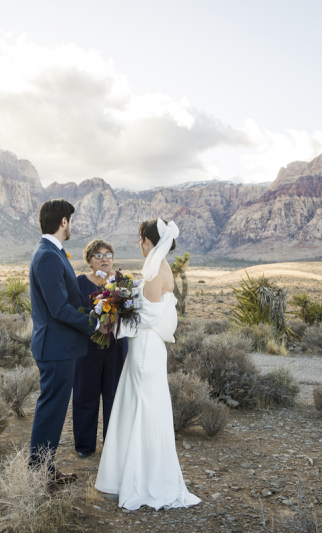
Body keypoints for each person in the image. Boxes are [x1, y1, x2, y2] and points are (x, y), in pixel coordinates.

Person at [95, 218, 201, 510]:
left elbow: (147, 317)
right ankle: (131, 475)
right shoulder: (160, 268)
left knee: (141, 406)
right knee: (140, 404)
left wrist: (116, 310)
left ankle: (140, 481)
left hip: (144, 348)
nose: (138, 244)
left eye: (140, 239)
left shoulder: (156, 271)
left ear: (147, 242)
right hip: (147, 346)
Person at [28, 199, 107, 490]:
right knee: (50, 412)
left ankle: (46, 470)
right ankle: (39, 477)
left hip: (59, 347)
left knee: (54, 412)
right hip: (56, 348)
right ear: (63, 222)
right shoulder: (48, 255)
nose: (71, 226)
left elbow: (65, 303)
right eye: (70, 221)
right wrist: (95, 324)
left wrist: (94, 311)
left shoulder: (51, 252)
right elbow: (59, 308)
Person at [73, 239, 128, 458]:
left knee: (114, 396)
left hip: (115, 347)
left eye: (108, 254)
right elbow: (75, 313)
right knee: (85, 395)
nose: (105, 258)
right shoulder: (79, 282)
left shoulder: (120, 282)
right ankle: (84, 446)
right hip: (87, 348)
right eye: (98, 255)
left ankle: (112, 447)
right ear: (89, 261)